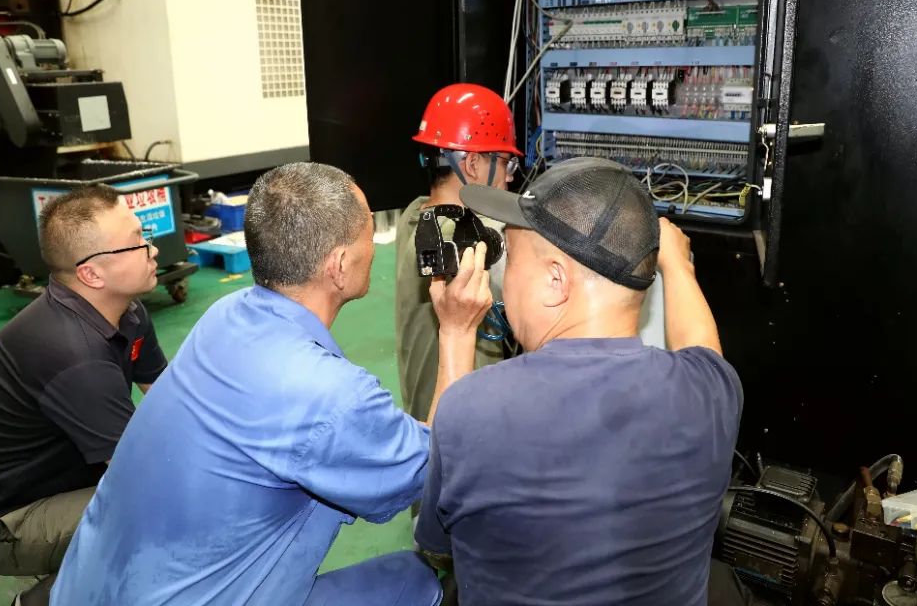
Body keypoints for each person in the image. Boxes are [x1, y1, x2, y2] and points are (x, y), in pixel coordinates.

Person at [52, 162, 493, 606]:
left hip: (85, 588)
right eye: (366, 234)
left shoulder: (224, 315)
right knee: (416, 583)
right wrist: (457, 331)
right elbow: (438, 468)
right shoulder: (330, 396)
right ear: (340, 265)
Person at [414, 157, 744, 605]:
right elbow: (701, 345)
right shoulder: (714, 392)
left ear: (556, 280)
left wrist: (455, 334)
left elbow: (438, 546)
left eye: (511, 258)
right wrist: (677, 266)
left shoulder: (471, 409)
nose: (501, 279)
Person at [0, 184, 168, 606]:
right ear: (91, 274)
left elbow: (168, 400)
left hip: (52, 482)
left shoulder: (126, 311)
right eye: (137, 242)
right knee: (159, 510)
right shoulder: (75, 356)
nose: (152, 249)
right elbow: (144, 472)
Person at [395, 83, 521, 422]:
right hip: (467, 425)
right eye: (506, 163)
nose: (509, 179)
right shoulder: (479, 242)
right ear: (474, 164)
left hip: (425, 411)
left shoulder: (415, 216)